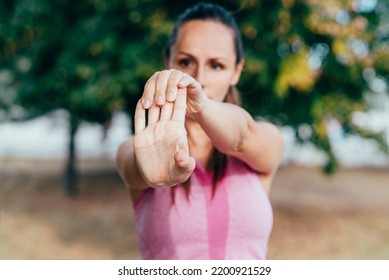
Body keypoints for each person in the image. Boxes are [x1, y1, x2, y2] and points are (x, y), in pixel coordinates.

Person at [116, 2, 284, 260]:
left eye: (216, 65)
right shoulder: (137, 147)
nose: (199, 78)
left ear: (236, 71)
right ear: (167, 62)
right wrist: (148, 169)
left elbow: (242, 136)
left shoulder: (265, 139)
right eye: (185, 61)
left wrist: (202, 105)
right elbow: (134, 166)